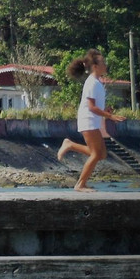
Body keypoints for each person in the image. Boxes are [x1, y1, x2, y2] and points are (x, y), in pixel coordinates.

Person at [56, 49, 126, 192]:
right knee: (96, 154)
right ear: (95, 66)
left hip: (92, 121)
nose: (105, 65)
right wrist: (110, 117)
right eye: (103, 63)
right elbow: (91, 107)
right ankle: (80, 185)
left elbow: (96, 105)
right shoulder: (92, 83)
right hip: (88, 120)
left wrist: (106, 110)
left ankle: (70, 145)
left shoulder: (97, 82)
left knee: (102, 154)